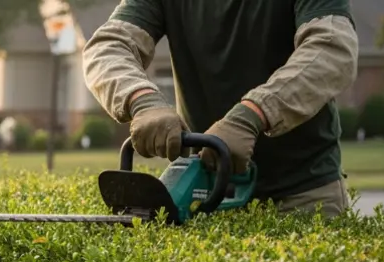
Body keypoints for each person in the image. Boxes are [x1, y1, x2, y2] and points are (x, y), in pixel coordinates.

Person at [83, 1, 359, 216]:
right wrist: (143, 100)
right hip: (204, 190)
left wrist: (253, 115)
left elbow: (332, 49)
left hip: (303, 194)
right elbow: (108, 46)